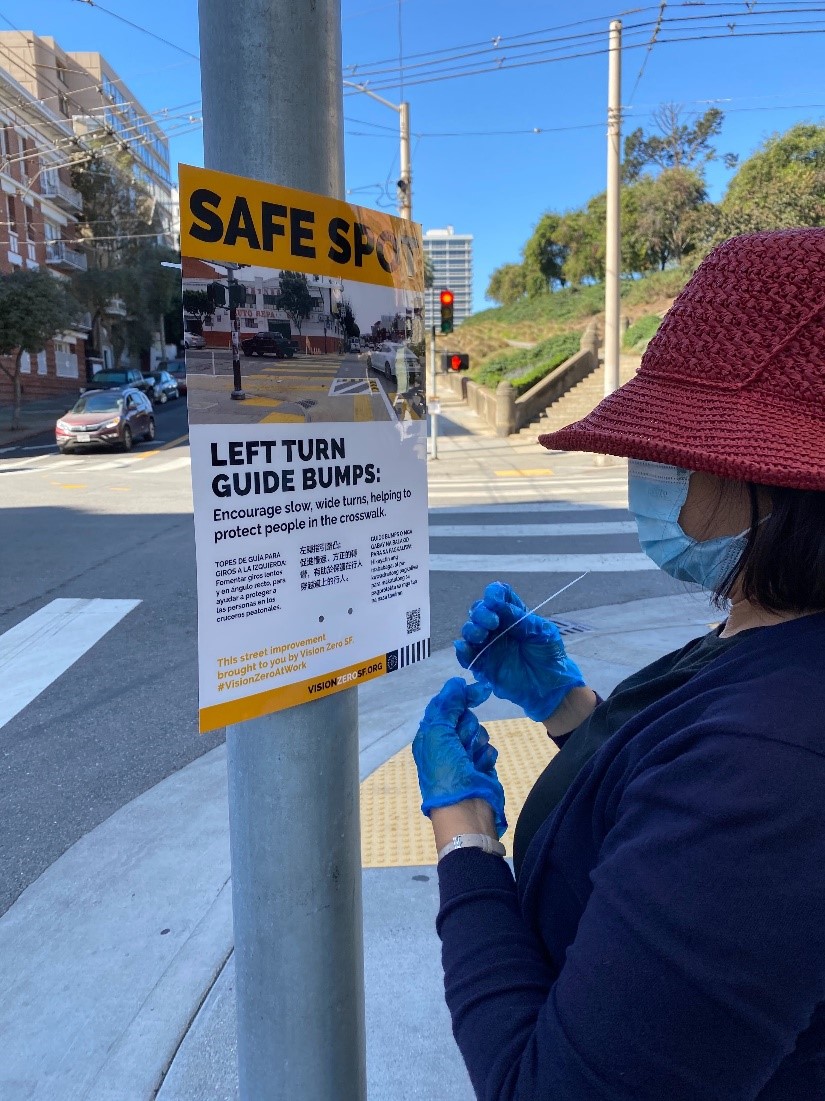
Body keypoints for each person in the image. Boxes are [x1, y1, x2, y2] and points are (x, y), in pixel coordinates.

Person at [411, 228, 825, 1100]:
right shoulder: (775, 631)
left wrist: (464, 839)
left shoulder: (773, 770)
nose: (646, 466)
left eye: (675, 447)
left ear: (775, 481)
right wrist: (571, 709)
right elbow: (681, 759)